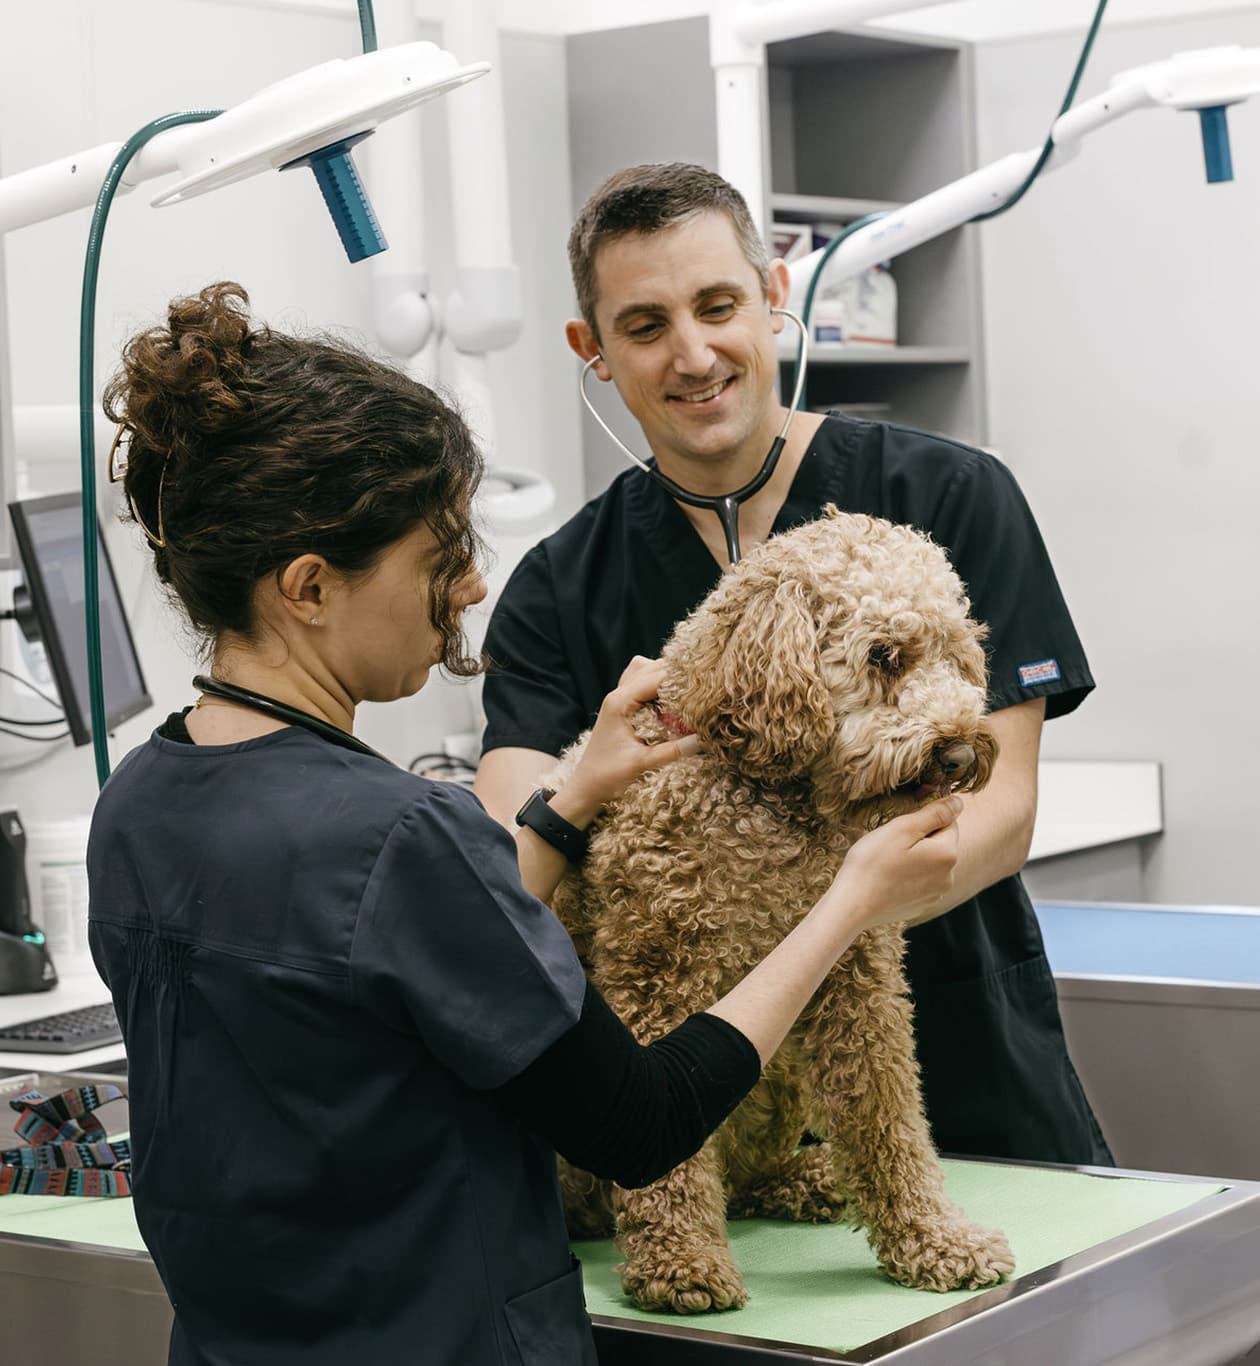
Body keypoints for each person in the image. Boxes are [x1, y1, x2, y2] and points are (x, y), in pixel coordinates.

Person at [87, 281, 968, 1366]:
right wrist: (851, 902)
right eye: (437, 556)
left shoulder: (136, 798)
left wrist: (572, 794)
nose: (469, 586)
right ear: (310, 586)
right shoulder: (405, 833)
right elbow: (638, 1121)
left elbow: (401, 947)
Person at [474, 162, 1114, 1169]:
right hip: (701, 1119)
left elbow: (1002, 808)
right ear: (591, 351)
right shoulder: (559, 589)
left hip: (960, 1071)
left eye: (718, 305)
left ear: (774, 296)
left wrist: (831, 908)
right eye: (643, 327)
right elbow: (511, 863)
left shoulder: (950, 497)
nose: (693, 354)